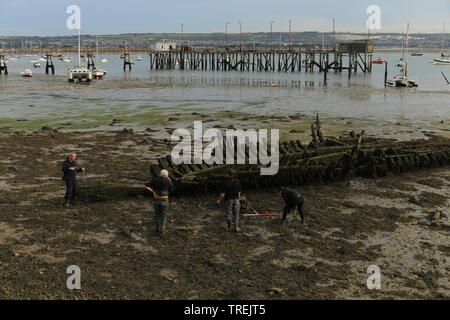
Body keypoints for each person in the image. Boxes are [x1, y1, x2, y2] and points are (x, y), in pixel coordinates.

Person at [145, 169, 174, 235]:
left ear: (160, 174)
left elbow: (146, 185)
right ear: (167, 175)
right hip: (165, 199)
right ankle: (162, 230)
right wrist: (169, 179)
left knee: (157, 214)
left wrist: (153, 192)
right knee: (163, 215)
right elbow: (172, 189)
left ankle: (156, 229)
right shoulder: (168, 181)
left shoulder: (155, 180)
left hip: (156, 199)